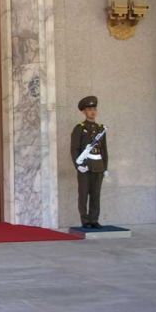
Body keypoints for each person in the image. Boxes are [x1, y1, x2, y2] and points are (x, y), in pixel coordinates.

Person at [70, 96, 108, 229]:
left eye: (94, 109)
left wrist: (105, 167)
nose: (92, 112)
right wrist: (78, 166)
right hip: (85, 166)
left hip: (98, 166)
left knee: (96, 195)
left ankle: (94, 219)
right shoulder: (79, 128)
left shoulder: (100, 128)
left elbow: (104, 150)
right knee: (84, 193)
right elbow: (74, 149)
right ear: (84, 112)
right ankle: (85, 220)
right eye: (89, 109)